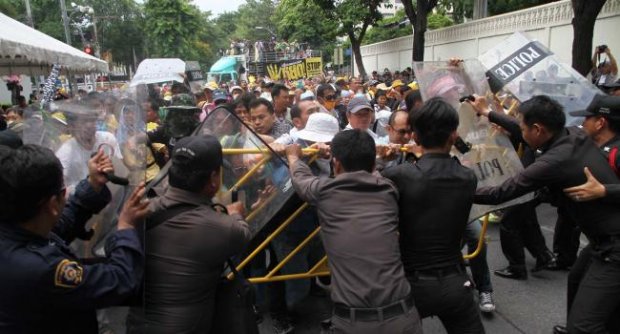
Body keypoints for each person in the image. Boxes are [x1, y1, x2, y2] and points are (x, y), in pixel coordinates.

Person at [470, 95, 620, 334]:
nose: (520, 131)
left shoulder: (555, 160)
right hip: (601, 241)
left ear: (538, 129)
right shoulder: (574, 134)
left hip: (614, 248)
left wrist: (454, 187)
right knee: (577, 280)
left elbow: (501, 192)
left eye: (523, 127)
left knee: (585, 326)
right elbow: (520, 131)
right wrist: (489, 113)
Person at [0, 144, 148, 333]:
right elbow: (120, 281)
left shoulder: (19, 226)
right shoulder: (44, 268)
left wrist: (93, 184)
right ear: (54, 203)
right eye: (64, 191)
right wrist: (125, 228)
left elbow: (61, 225)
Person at [286, 129, 422, 334]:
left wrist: (294, 156)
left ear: (336, 164)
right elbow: (373, 175)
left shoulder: (325, 191)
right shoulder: (388, 189)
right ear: (372, 164)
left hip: (354, 323)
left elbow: (301, 180)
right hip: (404, 318)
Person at [382, 98, 486, 333]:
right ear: (453, 135)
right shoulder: (467, 177)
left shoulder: (398, 175)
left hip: (410, 283)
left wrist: (384, 160)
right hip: (455, 281)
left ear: (415, 137)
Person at [134, 135, 251, 333]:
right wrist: (236, 214)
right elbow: (243, 235)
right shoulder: (224, 227)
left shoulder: (139, 212)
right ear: (214, 179)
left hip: (137, 324)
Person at [467, 97, 557, 279]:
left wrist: (488, 113)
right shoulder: (530, 136)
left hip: (525, 184)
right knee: (527, 220)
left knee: (510, 223)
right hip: (527, 184)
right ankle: (544, 256)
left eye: (522, 125)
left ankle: (517, 267)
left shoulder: (533, 140)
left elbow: (515, 129)